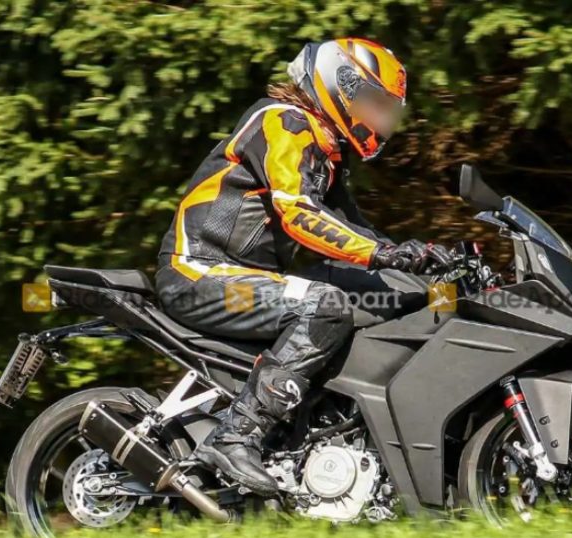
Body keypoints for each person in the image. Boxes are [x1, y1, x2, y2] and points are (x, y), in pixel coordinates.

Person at [155, 38, 451, 495]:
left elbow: (356, 229)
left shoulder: (326, 152)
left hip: (248, 280)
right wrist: (381, 254)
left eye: (388, 109)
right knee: (325, 305)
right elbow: (299, 213)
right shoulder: (284, 123)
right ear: (340, 88)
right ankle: (236, 436)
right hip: (201, 273)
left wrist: (425, 264)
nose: (382, 119)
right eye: (375, 104)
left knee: (387, 293)